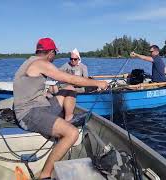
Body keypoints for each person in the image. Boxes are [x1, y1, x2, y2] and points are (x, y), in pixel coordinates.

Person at [13, 37, 108, 179]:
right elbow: (70, 78)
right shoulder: (41, 63)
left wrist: (47, 92)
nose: (54, 57)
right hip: (29, 114)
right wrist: (97, 83)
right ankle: (44, 175)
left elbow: (66, 84)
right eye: (54, 54)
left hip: (40, 106)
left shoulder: (30, 61)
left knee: (69, 89)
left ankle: (68, 118)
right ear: (50, 52)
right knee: (72, 133)